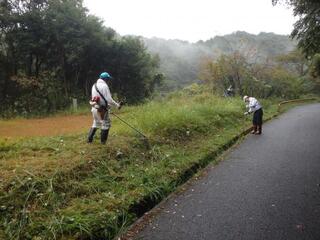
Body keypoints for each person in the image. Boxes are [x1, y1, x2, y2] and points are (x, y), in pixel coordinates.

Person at [87, 72, 121, 144]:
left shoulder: (94, 85)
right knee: (106, 124)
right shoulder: (104, 86)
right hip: (102, 110)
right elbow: (109, 99)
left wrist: (108, 104)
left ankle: (89, 140)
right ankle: (103, 143)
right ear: (105, 79)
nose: (108, 81)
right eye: (108, 79)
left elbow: (98, 98)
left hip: (94, 108)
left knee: (96, 123)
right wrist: (117, 105)